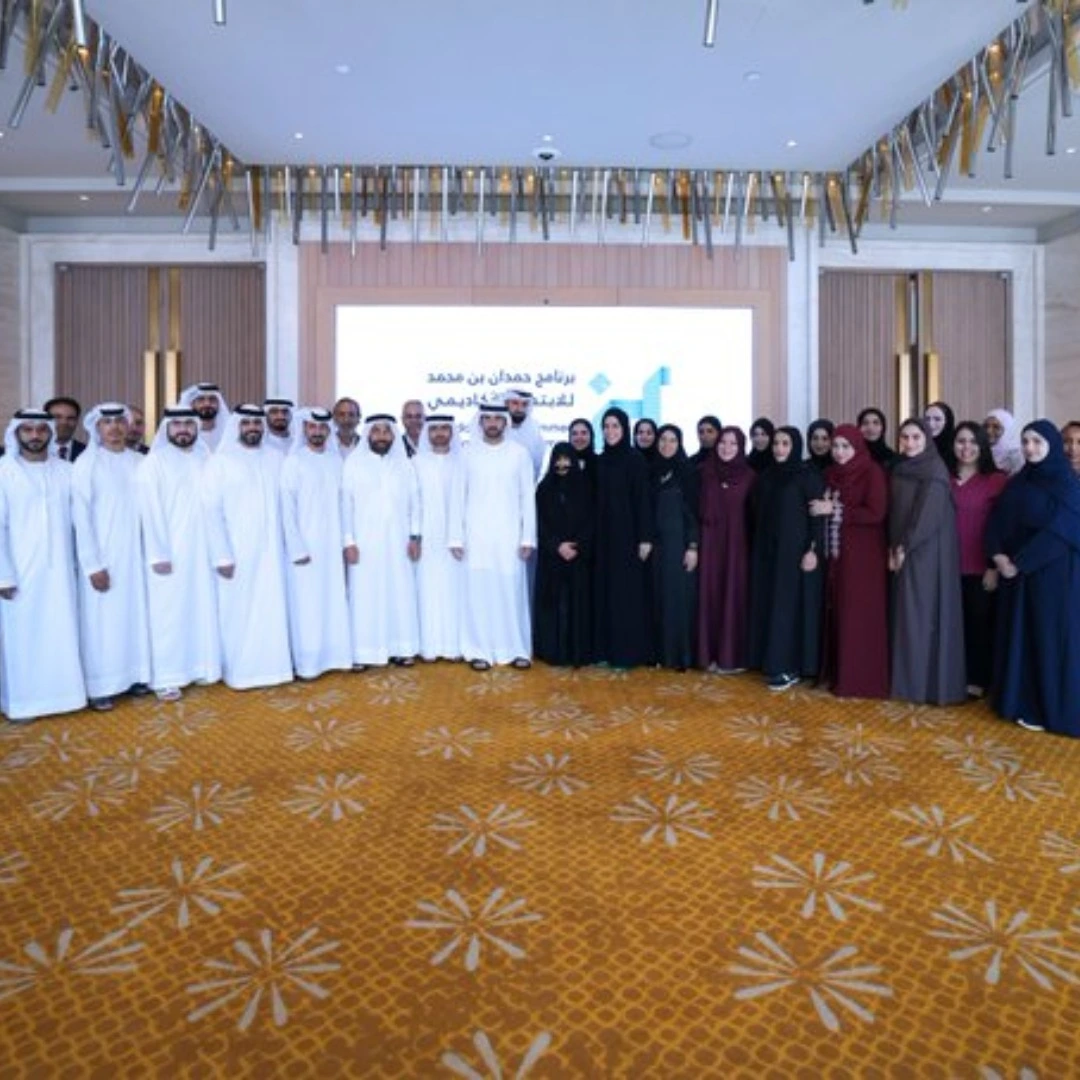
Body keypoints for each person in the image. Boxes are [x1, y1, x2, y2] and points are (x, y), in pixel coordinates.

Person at [986, 420, 1080, 736]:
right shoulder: (1019, 482)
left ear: (1050, 445)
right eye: (1025, 441)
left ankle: (1047, 707)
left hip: (1052, 576)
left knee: (1048, 638)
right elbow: (996, 521)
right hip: (1016, 575)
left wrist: (1021, 563)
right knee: (1021, 636)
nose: (1029, 448)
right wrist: (998, 555)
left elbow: (1063, 531)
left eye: (1037, 442)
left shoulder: (1067, 484)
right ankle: (1019, 701)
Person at [0, 409, 86, 721]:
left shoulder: (67, 470)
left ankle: (66, 697)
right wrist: (3, 574)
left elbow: (82, 524)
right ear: (17, 434)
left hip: (61, 572)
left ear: (49, 433)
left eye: (40, 429)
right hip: (19, 573)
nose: (35, 436)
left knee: (62, 632)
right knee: (22, 636)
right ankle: (23, 703)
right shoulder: (4, 471)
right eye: (28, 430)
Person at [202, 405, 293, 690]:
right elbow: (211, 511)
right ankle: (240, 672)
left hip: (274, 550)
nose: (253, 427)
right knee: (238, 609)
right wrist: (221, 554)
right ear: (237, 426)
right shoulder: (221, 461)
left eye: (257, 422)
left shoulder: (277, 457)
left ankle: (274, 669)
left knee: (272, 606)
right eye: (247, 423)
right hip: (236, 550)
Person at [137, 406, 222, 701]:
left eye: (189, 424)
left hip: (204, 550)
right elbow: (149, 511)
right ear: (167, 429)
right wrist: (158, 553)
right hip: (169, 553)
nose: (183, 429)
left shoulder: (206, 458)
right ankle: (167, 676)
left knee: (201, 607)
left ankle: (200, 666)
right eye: (177, 425)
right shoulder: (154, 462)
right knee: (169, 613)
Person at [70, 403, 152, 710]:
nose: (115, 427)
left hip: (136, 556)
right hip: (103, 558)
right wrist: (92, 565)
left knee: (135, 616)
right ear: (97, 428)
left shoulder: (140, 461)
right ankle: (101, 684)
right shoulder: (86, 463)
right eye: (107, 422)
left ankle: (135, 676)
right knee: (101, 622)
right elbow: (81, 517)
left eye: (120, 421)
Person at [449, 404, 536, 670]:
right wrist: (455, 537)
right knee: (479, 593)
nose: (493, 423)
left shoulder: (519, 454)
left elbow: (526, 499)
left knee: (511, 593)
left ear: (506, 422)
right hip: (477, 537)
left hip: (510, 537)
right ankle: (478, 650)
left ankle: (516, 649)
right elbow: (457, 497)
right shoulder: (467, 453)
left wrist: (527, 538)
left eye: (498, 418)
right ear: (481, 422)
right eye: (488, 418)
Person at [887, 419, 967, 706]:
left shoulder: (934, 470)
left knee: (921, 616)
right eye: (905, 437)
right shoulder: (900, 467)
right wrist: (893, 546)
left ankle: (923, 685)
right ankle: (909, 681)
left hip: (925, 553)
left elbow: (926, 516)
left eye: (916, 437)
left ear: (927, 440)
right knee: (907, 617)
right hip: (903, 549)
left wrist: (904, 548)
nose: (909, 443)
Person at [812, 424, 889, 699]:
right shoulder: (829, 474)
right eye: (836, 446)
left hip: (864, 557)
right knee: (838, 610)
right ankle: (836, 673)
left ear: (857, 447)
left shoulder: (872, 472)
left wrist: (837, 509)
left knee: (859, 615)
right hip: (836, 555)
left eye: (846, 446)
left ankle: (860, 679)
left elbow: (876, 512)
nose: (840, 452)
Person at [747, 426, 825, 691]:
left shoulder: (807, 476)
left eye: (785, 444)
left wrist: (813, 550)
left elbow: (818, 517)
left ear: (795, 446)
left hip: (795, 553)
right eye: (777, 443)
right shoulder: (767, 476)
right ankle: (770, 660)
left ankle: (787, 666)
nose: (779, 448)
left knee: (788, 608)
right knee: (770, 605)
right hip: (767, 553)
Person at [342, 414, 422, 669]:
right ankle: (363, 652)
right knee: (365, 596)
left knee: (399, 593)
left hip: (399, 542)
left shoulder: (405, 465)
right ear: (368, 435)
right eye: (375, 431)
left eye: (386, 431)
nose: (381, 436)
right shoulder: (354, 464)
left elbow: (415, 504)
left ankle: (400, 648)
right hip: (364, 544)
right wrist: (348, 541)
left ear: (393, 435)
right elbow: (345, 505)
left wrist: (415, 536)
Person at [280, 407, 352, 680]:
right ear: (304, 429)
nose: (318, 432)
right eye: (313, 427)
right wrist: (296, 547)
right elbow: (287, 509)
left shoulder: (336, 462)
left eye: (323, 428)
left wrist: (346, 541)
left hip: (333, 547)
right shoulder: (294, 462)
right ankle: (309, 663)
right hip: (305, 548)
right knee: (307, 606)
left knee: (333, 601)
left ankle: (335, 657)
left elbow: (345, 505)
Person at [592, 407, 653, 669]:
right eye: (606, 426)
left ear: (625, 429)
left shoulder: (635, 460)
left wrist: (645, 539)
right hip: (602, 539)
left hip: (628, 539)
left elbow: (643, 501)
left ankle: (626, 653)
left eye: (615, 426)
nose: (610, 431)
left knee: (625, 596)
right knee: (604, 593)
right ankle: (604, 650)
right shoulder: (599, 460)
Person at [951, 421, 1008, 699]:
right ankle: (953, 675)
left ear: (982, 446)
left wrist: (993, 566)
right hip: (946, 566)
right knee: (953, 624)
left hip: (980, 565)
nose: (966, 447)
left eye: (973, 442)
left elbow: (1003, 527)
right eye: (961, 441)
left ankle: (977, 678)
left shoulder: (996, 480)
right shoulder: (944, 477)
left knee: (978, 624)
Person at [697, 427, 755, 673]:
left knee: (733, 595)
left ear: (741, 447)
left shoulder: (751, 477)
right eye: (722, 442)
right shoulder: (703, 473)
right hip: (709, 545)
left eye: (733, 443)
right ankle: (707, 654)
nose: (726, 447)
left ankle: (731, 657)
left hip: (737, 548)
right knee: (708, 596)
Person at [534, 442, 594, 667]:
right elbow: (538, 522)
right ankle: (553, 653)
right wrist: (557, 545)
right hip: (552, 558)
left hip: (578, 557)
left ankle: (577, 653)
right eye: (557, 460)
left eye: (566, 459)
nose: (562, 464)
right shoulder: (543, 489)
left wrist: (576, 546)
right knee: (553, 605)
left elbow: (592, 520)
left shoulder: (586, 487)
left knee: (577, 605)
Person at [413, 414, 465, 662]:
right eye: (434, 429)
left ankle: (454, 646)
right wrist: (415, 536)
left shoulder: (463, 461)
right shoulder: (416, 462)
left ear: (452, 432)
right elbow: (412, 503)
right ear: (427, 433)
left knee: (456, 590)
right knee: (428, 589)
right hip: (427, 538)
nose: (440, 433)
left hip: (458, 538)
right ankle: (430, 646)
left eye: (445, 428)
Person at [649, 425, 698, 671]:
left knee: (678, 601)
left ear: (679, 444)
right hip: (656, 547)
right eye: (663, 440)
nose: (666, 445)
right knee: (658, 599)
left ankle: (681, 657)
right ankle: (661, 655)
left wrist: (692, 546)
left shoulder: (687, 472)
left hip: (679, 546)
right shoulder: (651, 472)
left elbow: (694, 513)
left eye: (672, 440)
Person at [504, 389, 546, 479]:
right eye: (515, 403)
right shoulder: (495, 430)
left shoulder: (534, 431)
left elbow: (536, 466)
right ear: (506, 404)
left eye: (524, 404)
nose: (520, 409)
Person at [178, 382, 230, 451]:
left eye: (212, 399)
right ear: (191, 404)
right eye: (201, 399)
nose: (207, 404)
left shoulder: (229, 435)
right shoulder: (181, 436)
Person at [44, 395, 86, 461]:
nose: (64, 422)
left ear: (77, 421)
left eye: (70, 418)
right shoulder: (33, 452)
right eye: (57, 417)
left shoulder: (87, 453)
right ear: (45, 420)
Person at [984, 408, 1023, 475]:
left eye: (996, 427)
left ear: (1008, 430)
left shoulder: (1017, 456)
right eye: (986, 426)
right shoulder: (981, 452)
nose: (988, 431)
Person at [924, 400, 956, 468]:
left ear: (947, 422)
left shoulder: (956, 449)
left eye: (937, 419)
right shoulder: (917, 446)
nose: (931, 424)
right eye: (927, 419)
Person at [568, 418, 598, 489]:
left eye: (584, 433)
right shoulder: (563, 463)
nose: (579, 437)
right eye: (574, 433)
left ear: (591, 436)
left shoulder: (601, 463)